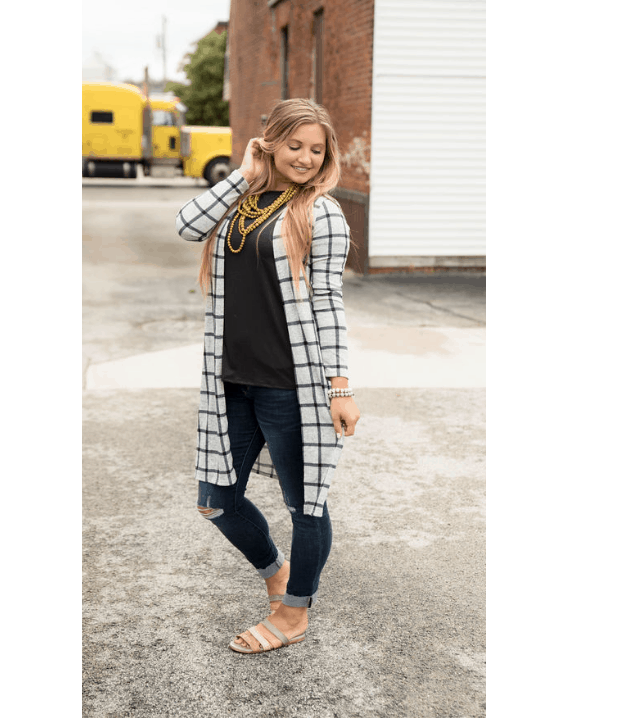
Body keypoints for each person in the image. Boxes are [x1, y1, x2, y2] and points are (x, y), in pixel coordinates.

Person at [175, 98, 360, 654]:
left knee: (306, 504)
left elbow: (328, 301)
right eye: (294, 145)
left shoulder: (321, 213)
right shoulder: (241, 202)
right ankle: (278, 573)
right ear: (270, 143)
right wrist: (244, 174)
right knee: (216, 500)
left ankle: (294, 612)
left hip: (290, 385)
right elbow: (186, 226)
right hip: (231, 382)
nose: (305, 158)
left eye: (316, 150)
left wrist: (340, 387)